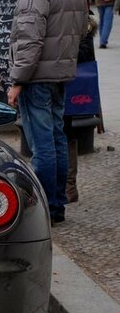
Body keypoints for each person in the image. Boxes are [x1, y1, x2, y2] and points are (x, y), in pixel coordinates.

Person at [7, 0, 88, 225]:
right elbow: (81, 30)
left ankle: (46, 210)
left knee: (43, 145)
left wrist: (17, 81)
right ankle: (57, 205)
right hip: (59, 73)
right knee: (56, 138)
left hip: (36, 77)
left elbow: (29, 39)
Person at [64, 13, 98, 203]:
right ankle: (64, 187)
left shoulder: (83, 24)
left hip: (68, 85)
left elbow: (84, 54)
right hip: (56, 81)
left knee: (66, 134)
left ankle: (69, 187)